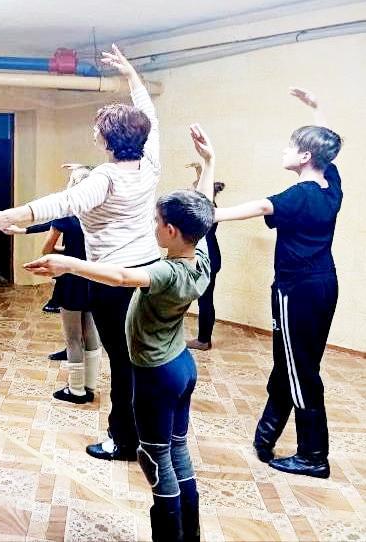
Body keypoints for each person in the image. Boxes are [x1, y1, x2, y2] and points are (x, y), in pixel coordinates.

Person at [23, 123, 217, 542]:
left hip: (157, 375)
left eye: (156, 220)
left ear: (170, 231)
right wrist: (209, 163)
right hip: (183, 367)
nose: (153, 224)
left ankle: (169, 535)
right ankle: (191, 534)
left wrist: (69, 264)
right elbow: (203, 210)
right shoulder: (199, 258)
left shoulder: (164, 272)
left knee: (155, 458)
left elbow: (121, 275)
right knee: (179, 450)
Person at [0, 44, 160, 461]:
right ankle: (148, 432)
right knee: (140, 359)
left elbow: (63, 203)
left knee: (123, 362)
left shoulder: (105, 177)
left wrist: (13, 213)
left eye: (98, 130)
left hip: (111, 281)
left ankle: (123, 439)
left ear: (109, 140)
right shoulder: (150, 164)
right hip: (148, 274)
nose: (94, 134)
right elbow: (150, 113)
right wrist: (131, 75)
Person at [214, 87, 342, 479]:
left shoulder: (299, 195)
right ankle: (266, 436)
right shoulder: (330, 187)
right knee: (293, 362)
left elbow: (260, 206)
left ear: (305, 157)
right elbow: (328, 154)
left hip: (295, 291)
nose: (284, 150)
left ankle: (313, 456)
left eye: (291, 146)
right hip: (324, 285)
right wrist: (318, 109)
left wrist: (210, 214)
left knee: (300, 370)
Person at [36, 169, 102, 404]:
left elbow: (47, 250)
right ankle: (90, 386)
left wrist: (67, 252)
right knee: (92, 334)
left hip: (71, 280)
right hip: (94, 277)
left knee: (73, 338)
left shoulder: (65, 217)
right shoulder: (100, 215)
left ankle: (76, 390)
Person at [185, 162, 225, 351]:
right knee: (203, 298)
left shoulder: (208, 209)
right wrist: (200, 170)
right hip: (211, 256)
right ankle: (203, 339)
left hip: (208, 258)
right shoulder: (208, 207)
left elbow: (204, 191)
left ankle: (203, 340)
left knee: (205, 299)